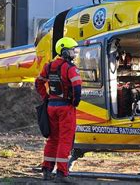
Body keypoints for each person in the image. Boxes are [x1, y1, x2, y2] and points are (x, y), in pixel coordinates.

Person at [35, 37, 82, 183]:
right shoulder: (70, 68)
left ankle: (47, 171)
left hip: (51, 107)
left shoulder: (48, 67)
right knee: (65, 140)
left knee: (53, 139)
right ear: (65, 51)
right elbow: (77, 87)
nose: (75, 53)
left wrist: (46, 97)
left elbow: (38, 82)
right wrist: (75, 101)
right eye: (73, 50)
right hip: (65, 108)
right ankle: (61, 173)